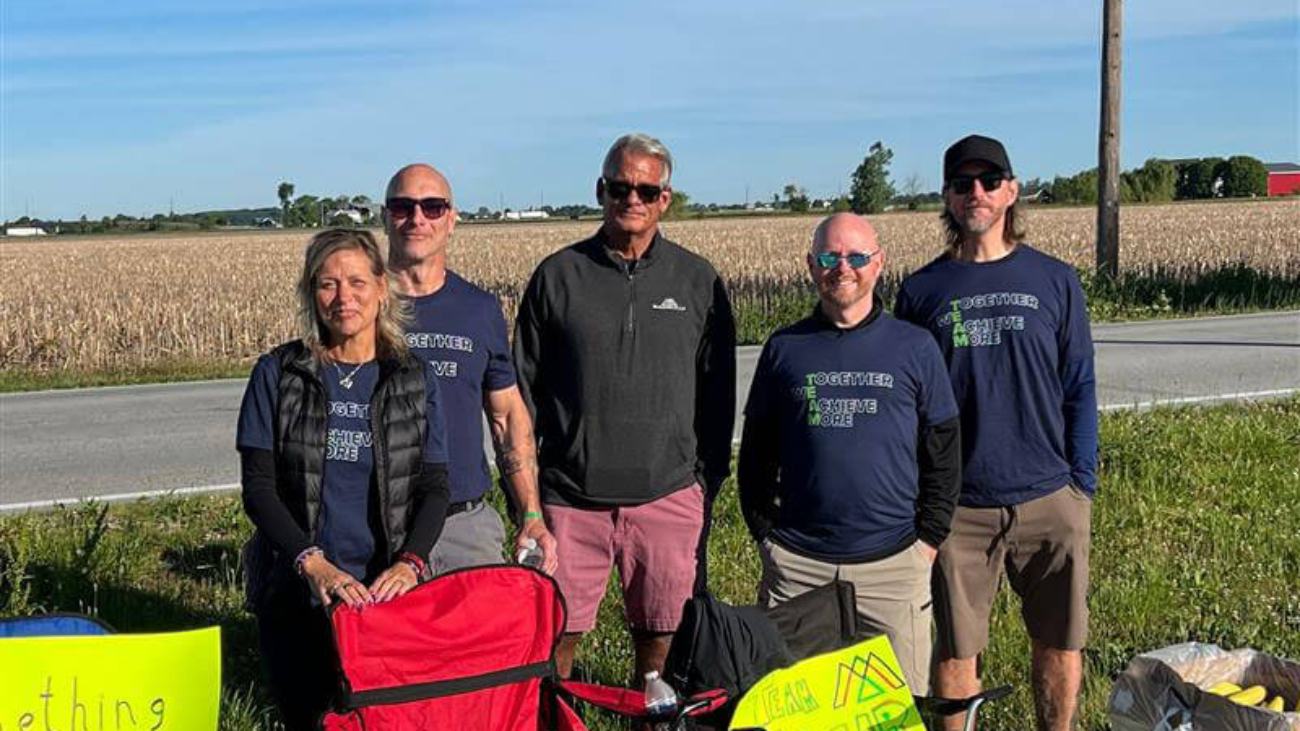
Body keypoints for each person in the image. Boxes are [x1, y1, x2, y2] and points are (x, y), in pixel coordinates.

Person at [514, 133, 736, 682]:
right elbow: (522, 393)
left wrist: (704, 482)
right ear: (600, 191)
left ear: (665, 198)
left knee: (661, 647)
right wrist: (529, 499)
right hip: (571, 501)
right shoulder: (557, 276)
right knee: (554, 642)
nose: (631, 198)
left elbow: (718, 394)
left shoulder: (698, 280)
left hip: (666, 497)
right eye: (619, 187)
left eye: (645, 188)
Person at [894, 135, 1098, 731]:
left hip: (1049, 497)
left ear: (1012, 191)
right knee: (957, 652)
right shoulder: (921, 292)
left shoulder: (1055, 280)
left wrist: (1080, 485)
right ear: (948, 198)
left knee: (1059, 643)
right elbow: (912, 403)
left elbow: (1080, 385)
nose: (976, 193)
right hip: (960, 508)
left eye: (989, 181)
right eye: (963, 183)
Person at [237, 228, 451, 731]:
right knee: (307, 717)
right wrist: (314, 566)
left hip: (384, 594)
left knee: (384, 719)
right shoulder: (279, 373)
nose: (343, 297)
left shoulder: (412, 377)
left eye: (356, 281)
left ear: (382, 287)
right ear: (311, 293)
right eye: (327, 284)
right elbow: (259, 488)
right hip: (300, 593)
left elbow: (435, 484)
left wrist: (410, 563)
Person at [737, 213, 960, 693]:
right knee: (798, 711)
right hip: (800, 567)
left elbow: (943, 455)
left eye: (857, 257)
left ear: (879, 264)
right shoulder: (784, 349)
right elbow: (755, 456)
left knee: (896, 713)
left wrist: (928, 541)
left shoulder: (915, 347)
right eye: (829, 257)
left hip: (893, 565)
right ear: (810, 266)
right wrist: (767, 537)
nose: (843, 268)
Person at [382, 163, 557, 575]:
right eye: (402, 207)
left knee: (476, 639)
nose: (417, 218)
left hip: (463, 525)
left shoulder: (478, 310)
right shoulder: (359, 306)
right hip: (380, 522)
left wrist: (530, 514)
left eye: (433, 207)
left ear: (452, 219)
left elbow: (507, 416)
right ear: (385, 217)